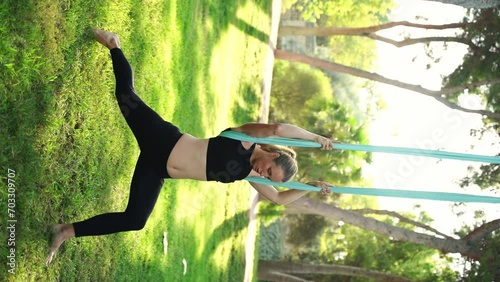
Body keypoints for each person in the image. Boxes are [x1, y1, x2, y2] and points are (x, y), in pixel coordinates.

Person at [46, 30, 333, 265]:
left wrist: (309, 187)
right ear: (274, 153)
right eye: (269, 170)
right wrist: (316, 138)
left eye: (269, 178)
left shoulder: (249, 174)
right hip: (163, 140)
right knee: (125, 96)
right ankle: (113, 44)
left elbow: (280, 200)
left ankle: (65, 231)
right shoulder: (246, 138)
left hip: (158, 169)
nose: (263, 174)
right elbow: (278, 129)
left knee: (135, 220)